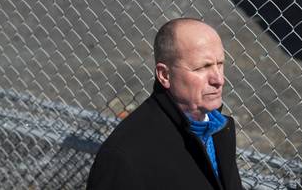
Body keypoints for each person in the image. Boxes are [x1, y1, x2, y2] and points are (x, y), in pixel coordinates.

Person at [87, 18, 243, 190]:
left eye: (220, 64)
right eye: (202, 68)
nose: (219, 79)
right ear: (164, 75)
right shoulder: (125, 156)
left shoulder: (218, 128)